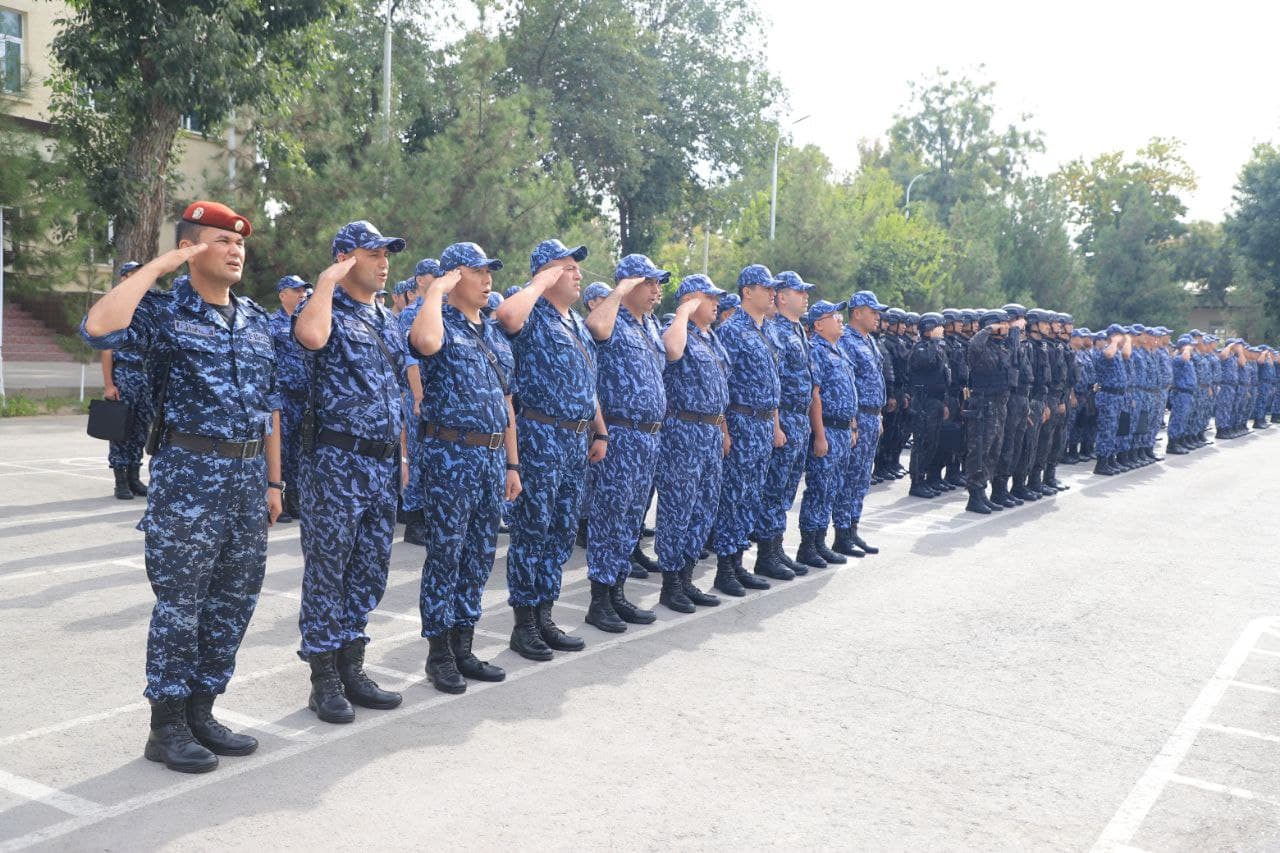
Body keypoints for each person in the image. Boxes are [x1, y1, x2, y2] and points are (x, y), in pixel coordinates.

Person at [81, 200, 282, 773]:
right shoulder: (165, 313)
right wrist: (158, 268)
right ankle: (166, 726)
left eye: (240, 242)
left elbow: (270, 407)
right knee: (181, 606)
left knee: (235, 600)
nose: (236, 250)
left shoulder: (255, 319)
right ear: (191, 248)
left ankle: (202, 711)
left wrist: (274, 481)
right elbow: (98, 327)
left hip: (248, 481)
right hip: (189, 479)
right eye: (222, 240)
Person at [291, 221, 412, 723]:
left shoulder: (386, 318)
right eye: (373, 253)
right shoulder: (324, 308)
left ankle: (351, 666)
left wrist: (402, 457)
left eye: (387, 254)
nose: (384, 262)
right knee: (329, 572)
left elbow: (396, 394)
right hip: (337, 463)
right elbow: (310, 337)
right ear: (344, 258)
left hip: (381, 463)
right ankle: (323, 679)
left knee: (369, 569)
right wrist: (326, 282)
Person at [408, 242, 521, 693]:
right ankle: (439, 655)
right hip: (451, 456)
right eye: (477, 271)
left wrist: (512, 463)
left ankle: (463, 646)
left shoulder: (493, 333)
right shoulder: (438, 322)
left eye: (490, 270)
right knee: (447, 555)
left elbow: (507, 404)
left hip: (491, 458)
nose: (488, 279)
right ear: (455, 277)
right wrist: (436, 291)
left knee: (479, 556)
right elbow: (425, 344)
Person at [494, 239, 606, 660]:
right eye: (568, 267)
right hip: (540, 436)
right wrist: (540, 281)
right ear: (547, 273)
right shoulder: (531, 313)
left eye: (577, 268)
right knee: (533, 531)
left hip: (575, 440)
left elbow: (588, 383)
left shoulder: (574, 322)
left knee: (560, 532)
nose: (578, 274)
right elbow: (506, 317)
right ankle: (524, 624)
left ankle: (544, 615)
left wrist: (599, 431)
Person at [582, 254, 669, 632]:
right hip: (620, 434)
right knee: (610, 517)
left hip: (648, 436)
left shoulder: (648, 326)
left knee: (631, 519)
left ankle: (617, 592)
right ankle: (599, 601)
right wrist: (619, 291)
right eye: (648, 282)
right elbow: (594, 327)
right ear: (629, 284)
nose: (656, 290)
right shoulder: (611, 318)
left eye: (657, 283)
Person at [654, 274, 731, 609]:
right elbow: (671, 351)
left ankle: (686, 578)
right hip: (683, 432)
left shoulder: (711, 337)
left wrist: (723, 431)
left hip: (711, 432)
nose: (716, 303)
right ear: (690, 299)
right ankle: (671, 583)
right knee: (678, 508)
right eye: (709, 297)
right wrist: (684, 312)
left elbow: (720, 389)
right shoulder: (676, 328)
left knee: (703, 508)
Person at [711, 264, 786, 593]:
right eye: (766, 288)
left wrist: (775, 424)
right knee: (733, 495)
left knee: (751, 496)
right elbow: (721, 385)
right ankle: (725, 568)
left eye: (773, 288)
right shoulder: (732, 330)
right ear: (747, 291)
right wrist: (725, 430)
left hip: (763, 423)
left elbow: (773, 384)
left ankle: (739, 561)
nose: (772, 293)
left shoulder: (767, 329)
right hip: (741, 421)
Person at [756, 270, 815, 577]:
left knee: (787, 489)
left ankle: (777, 547)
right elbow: (774, 382)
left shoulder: (797, 329)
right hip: (786, 416)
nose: (806, 297)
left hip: (800, 417)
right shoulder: (776, 330)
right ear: (781, 297)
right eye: (799, 292)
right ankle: (766, 553)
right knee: (774, 488)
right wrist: (777, 425)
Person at [795, 300, 859, 567]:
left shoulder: (838, 350)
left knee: (832, 488)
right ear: (819, 325)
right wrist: (820, 435)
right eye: (834, 316)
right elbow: (816, 395)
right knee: (819, 488)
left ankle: (820, 541)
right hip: (828, 428)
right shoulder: (817, 350)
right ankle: (808, 545)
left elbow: (849, 390)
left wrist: (852, 426)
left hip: (842, 429)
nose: (840, 320)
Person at [830, 291, 887, 558]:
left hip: (872, 415)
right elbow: (847, 384)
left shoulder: (869, 340)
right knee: (850, 477)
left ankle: (853, 528)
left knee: (863, 477)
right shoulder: (847, 341)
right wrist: (853, 422)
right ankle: (842, 534)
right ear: (857, 313)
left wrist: (879, 416)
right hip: (859, 415)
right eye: (873, 312)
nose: (878, 317)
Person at [100, 260, 153, 500]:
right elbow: (106, 349)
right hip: (124, 374)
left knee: (140, 427)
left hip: (145, 376)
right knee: (120, 427)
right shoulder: (115, 306)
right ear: (123, 278)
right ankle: (120, 481)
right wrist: (109, 384)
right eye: (133, 274)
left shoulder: (146, 308)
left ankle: (134, 477)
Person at [398, 258, 439, 545]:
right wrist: (418, 395)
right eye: (434, 275)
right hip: (419, 395)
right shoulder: (410, 314)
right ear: (421, 280)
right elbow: (410, 359)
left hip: (439, 397)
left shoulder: (441, 311)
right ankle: (414, 520)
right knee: (417, 455)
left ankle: (431, 515)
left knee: (434, 457)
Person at [269, 275, 310, 523]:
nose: (302, 294)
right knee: (281, 449)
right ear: (283, 295)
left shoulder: (308, 322)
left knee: (298, 450)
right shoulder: (272, 323)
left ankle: (295, 499)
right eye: (296, 291)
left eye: (304, 291)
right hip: (283, 396)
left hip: (303, 396)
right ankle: (279, 501)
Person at [963, 310, 1012, 513]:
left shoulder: (1001, 348)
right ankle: (974, 496)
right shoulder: (980, 348)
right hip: (984, 406)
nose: (1007, 327)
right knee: (979, 451)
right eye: (1002, 324)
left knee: (993, 451)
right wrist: (988, 329)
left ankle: (982, 491)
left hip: (999, 406)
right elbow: (973, 346)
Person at [905, 312, 950, 499]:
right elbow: (927, 362)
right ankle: (916, 482)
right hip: (923, 402)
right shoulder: (921, 348)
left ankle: (925, 478)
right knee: (922, 443)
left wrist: (944, 402)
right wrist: (934, 341)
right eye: (938, 326)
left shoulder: (937, 347)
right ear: (929, 329)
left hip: (935, 401)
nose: (942, 330)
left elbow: (942, 376)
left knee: (932, 443)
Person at [1093, 324, 1131, 475]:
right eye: (1121, 336)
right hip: (1107, 396)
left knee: (1114, 430)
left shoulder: (1118, 354)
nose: (1124, 339)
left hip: (1117, 397)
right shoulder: (1104, 351)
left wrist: (1126, 340)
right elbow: (1108, 354)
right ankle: (1101, 463)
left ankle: (1109, 459)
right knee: (1106, 430)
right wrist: (1114, 341)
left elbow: (1127, 354)